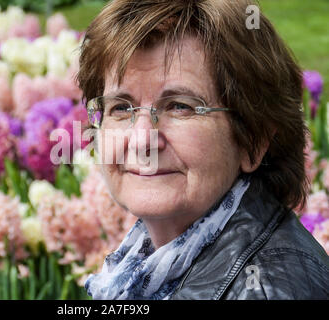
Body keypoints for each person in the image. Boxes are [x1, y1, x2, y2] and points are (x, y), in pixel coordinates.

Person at [76, 0, 329, 299]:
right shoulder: (148, 264)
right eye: (120, 107)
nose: (143, 140)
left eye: (180, 107)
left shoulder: (265, 289)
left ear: (253, 140)